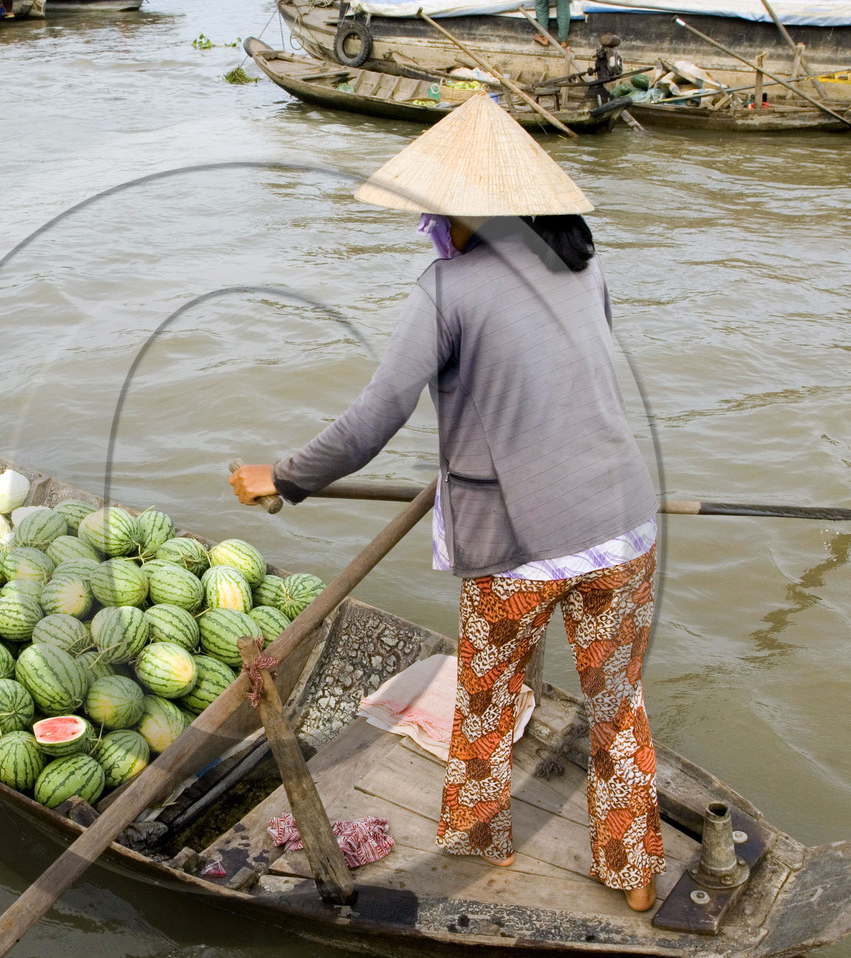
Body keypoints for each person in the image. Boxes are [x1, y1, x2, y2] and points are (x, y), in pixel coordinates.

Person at [228, 94, 665, 912]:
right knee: (618, 704)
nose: (428, 221)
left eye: (436, 208)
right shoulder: (585, 263)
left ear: (467, 210)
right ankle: (635, 867)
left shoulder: (449, 288)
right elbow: (563, 383)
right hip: (624, 527)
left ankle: (477, 846)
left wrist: (282, 477)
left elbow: (372, 421)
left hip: (522, 546)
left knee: (488, 701)